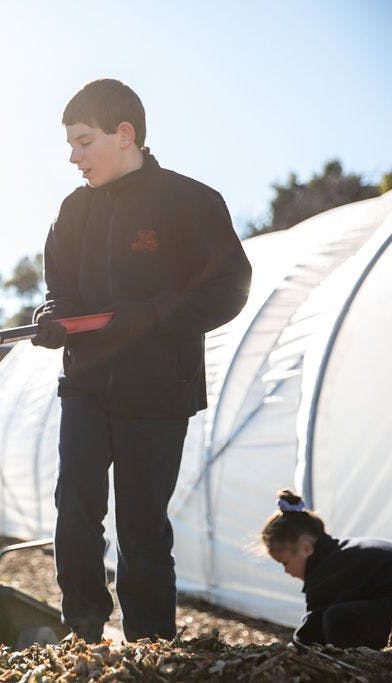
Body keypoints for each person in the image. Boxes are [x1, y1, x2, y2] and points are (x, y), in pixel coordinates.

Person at [30, 78, 252, 643]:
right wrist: (54, 317)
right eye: (71, 144)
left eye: (84, 142)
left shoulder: (190, 202)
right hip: (86, 382)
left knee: (141, 523)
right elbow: (60, 287)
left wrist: (151, 315)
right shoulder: (74, 211)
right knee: (75, 508)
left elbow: (229, 287)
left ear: (124, 135)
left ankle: (150, 645)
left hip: (158, 390)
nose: (73, 157)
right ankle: (81, 634)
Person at [261, 490, 392, 650]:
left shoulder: (324, 574)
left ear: (306, 548)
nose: (286, 571)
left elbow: (310, 632)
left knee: (337, 618)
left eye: (284, 562)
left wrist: (289, 650)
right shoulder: (339, 553)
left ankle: (352, 668)